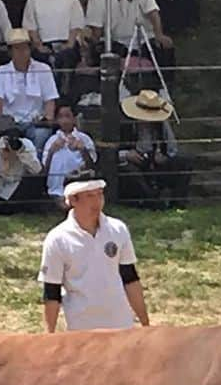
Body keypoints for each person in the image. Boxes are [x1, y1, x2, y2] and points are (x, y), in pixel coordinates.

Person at [38, 178, 150, 333]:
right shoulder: (57, 239)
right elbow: (51, 291)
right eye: (90, 196)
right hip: (82, 328)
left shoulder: (118, 229)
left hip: (121, 324)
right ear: (72, 200)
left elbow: (130, 279)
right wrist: (49, 334)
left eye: (100, 194)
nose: (97, 202)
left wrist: (145, 324)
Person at [85, 0, 174, 69]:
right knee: (100, 54)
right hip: (116, 41)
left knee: (164, 51)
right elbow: (96, 28)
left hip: (144, 38)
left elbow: (152, 11)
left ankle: (162, 85)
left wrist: (159, 34)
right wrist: (91, 43)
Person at [118, 87, 191, 209]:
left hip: (155, 164)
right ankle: (152, 202)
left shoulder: (162, 125)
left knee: (184, 163)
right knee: (129, 172)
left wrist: (164, 157)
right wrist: (127, 154)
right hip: (133, 164)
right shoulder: (124, 126)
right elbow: (110, 151)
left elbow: (172, 148)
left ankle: (177, 203)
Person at [0, 28, 59, 154]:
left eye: (24, 48)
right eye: (17, 48)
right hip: (11, 123)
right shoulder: (1, 71)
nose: (21, 52)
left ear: (30, 49)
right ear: (10, 52)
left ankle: (35, 170)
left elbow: (50, 100)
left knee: (41, 135)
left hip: (35, 122)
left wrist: (47, 120)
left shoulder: (44, 69)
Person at [23, 0, 85, 92]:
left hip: (67, 43)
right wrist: (39, 45)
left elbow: (76, 20)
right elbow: (30, 25)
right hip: (44, 45)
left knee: (67, 60)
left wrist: (69, 43)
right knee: (42, 62)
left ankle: (65, 102)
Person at [0, 113, 45, 214]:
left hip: (18, 186)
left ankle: (14, 208)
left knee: (34, 181)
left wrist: (21, 152)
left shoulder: (25, 144)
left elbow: (37, 170)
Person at [42, 102, 96, 207]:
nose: (64, 121)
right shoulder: (52, 140)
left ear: (74, 119)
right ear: (57, 120)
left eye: (68, 116)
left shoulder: (84, 138)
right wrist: (51, 151)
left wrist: (82, 149)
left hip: (79, 182)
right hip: (56, 186)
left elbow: (92, 165)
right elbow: (45, 169)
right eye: (61, 117)